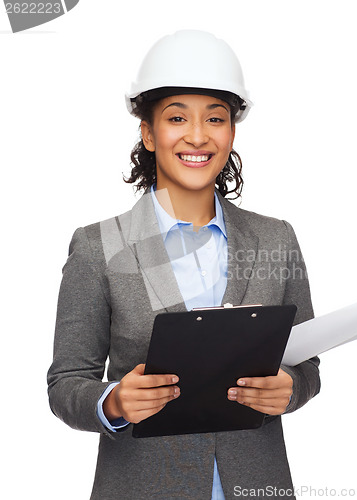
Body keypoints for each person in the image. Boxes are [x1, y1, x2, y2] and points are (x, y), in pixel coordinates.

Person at [47, 30, 321, 500]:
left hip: (257, 484)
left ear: (232, 132)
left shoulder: (277, 238)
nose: (198, 136)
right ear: (149, 133)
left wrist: (292, 388)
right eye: (177, 118)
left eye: (216, 119)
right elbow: (67, 382)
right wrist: (113, 402)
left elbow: (307, 362)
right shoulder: (100, 246)